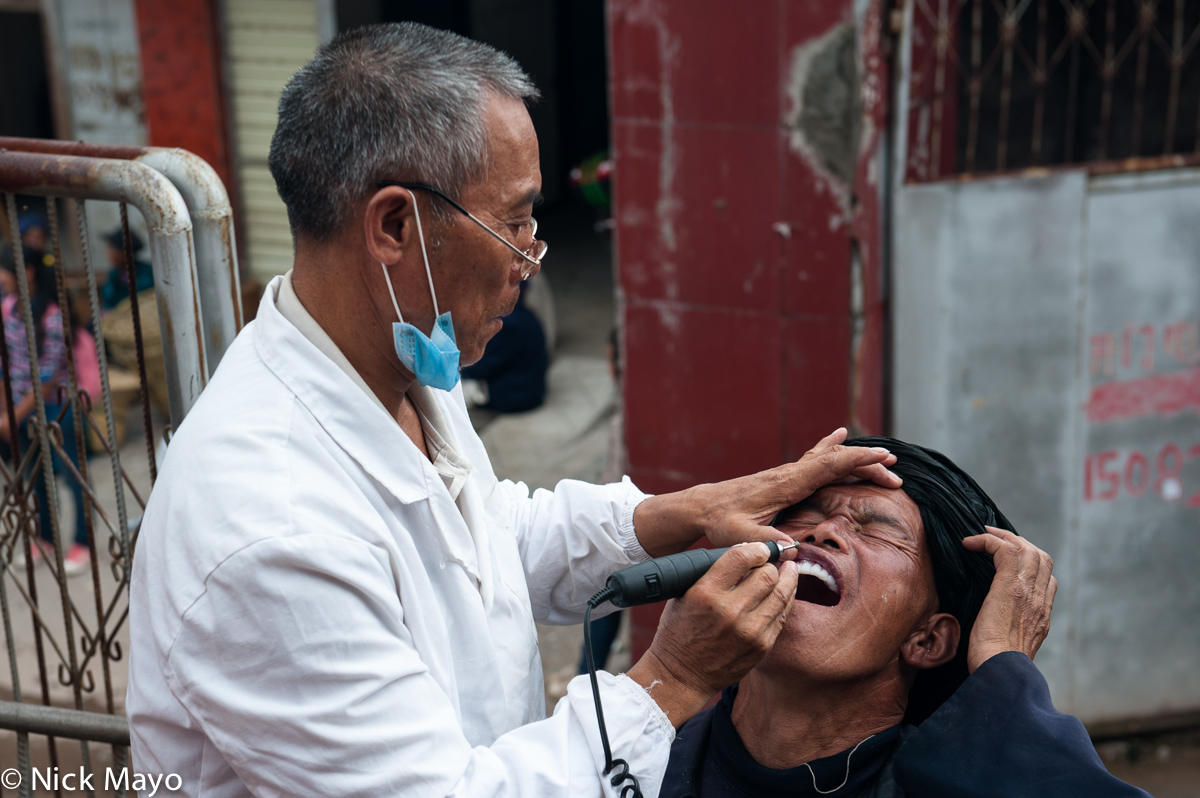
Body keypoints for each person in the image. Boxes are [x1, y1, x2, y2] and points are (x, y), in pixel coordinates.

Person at [126, 24, 905, 797]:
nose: (532, 259)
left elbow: (487, 540)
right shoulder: (271, 530)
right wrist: (671, 680)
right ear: (395, 226)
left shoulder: (401, 358)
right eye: (515, 222)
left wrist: (688, 512)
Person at [662, 437, 1151, 798]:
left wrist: (1004, 667)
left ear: (928, 640)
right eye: (806, 514)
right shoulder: (637, 753)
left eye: (875, 531)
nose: (826, 531)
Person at [0, 245, 91, 575]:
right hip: (21, 408)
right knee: (35, 476)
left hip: (57, 410)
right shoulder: (9, 308)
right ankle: (45, 539)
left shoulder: (53, 316)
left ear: (26, 273)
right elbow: (4, 360)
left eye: (4, 270)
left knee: (72, 476)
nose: (1, 278)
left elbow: (49, 377)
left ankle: (84, 542)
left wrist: (13, 415)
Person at [460, 280, 548, 412]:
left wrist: (461, 369)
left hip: (515, 398)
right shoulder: (528, 315)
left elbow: (485, 365)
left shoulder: (508, 324)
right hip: (535, 392)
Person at [100, 227, 154, 310]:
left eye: (112, 249)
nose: (108, 253)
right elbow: (108, 303)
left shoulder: (146, 274)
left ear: (124, 252)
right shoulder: (114, 275)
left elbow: (145, 302)